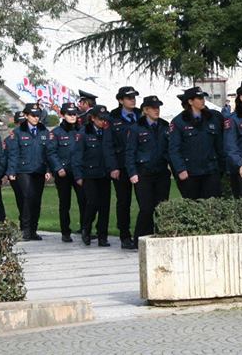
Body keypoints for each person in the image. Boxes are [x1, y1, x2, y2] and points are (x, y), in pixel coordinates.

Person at [126, 95, 171, 246]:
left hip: (161, 172)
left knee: (161, 207)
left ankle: (159, 236)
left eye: (158, 107)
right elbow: (130, 152)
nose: (156, 110)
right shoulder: (136, 128)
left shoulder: (165, 125)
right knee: (146, 208)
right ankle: (139, 238)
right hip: (143, 173)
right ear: (145, 110)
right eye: (153, 108)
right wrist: (132, 172)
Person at [6, 103, 55, 241]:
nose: (36, 118)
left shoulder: (44, 131)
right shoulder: (17, 132)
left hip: (39, 169)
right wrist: (11, 171)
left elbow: (48, 153)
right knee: (27, 197)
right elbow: (13, 154)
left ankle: (33, 229)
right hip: (23, 170)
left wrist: (48, 169)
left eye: (38, 115)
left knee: (36, 200)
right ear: (26, 116)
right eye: (33, 115)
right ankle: (25, 229)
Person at [169, 87, 225, 199]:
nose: (203, 100)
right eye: (199, 98)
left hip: (211, 170)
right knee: (193, 207)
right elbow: (174, 149)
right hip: (190, 172)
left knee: (213, 206)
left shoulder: (212, 118)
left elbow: (219, 145)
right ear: (190, 101)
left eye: (203, 97)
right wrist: (180, 169)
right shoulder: (179, 121)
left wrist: (221, 167)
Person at [73, 105, 118, 246]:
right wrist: (78, 175)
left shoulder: (108, 132)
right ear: (92, 118)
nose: (103, 122)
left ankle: (102, 236)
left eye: (105, 119)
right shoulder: (84, 133)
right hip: (89, 174)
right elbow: (77, 156)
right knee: (92, 203)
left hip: (104, 173)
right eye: (100, 119)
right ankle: (86, 228)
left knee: (105, 206)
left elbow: (111, 152)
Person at [109, 86, 141, 249]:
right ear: (121, 100)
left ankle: (142, 233)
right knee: (124, 201)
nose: (133, 100)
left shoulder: (140, 114)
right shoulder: (112, 118)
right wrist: (113, 167)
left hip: (139, 164)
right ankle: (124, 235)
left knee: (144, 200)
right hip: (121, 165)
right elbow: (108, 145)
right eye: (129, 98)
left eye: (134, 97)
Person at [49, 102, 83, 242]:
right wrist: (58, 168)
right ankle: (65, 232)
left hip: (79, 172)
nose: (73, 116)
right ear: (63, 115)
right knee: (65, 203)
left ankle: (85, 229)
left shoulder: (81, 131)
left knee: (84, 201)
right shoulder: (56, 133)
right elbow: (51, 152)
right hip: (64, 173)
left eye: (74, 113)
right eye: (69, 114)